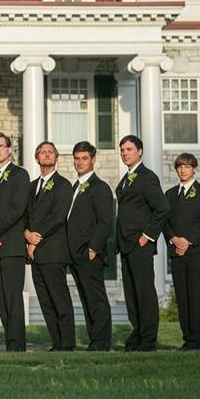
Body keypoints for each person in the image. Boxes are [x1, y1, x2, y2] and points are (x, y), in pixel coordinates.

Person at [115, 135, 169, 352]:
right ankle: (137, 334)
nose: (124, 153)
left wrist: (147, 236)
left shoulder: (147, 177)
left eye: (129, 149)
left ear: (140, 151)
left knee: (144, 292)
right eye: (122, 149)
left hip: (140, 244)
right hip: (126, 245)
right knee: (131, 294)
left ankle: (148, 340)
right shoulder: (127, 178)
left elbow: (163, 208)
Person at [0, 132, 32, 351]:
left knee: (13, 297)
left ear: (9, 149)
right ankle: (10, 340)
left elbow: (17, 209)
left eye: (1, 146)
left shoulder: (20, 175)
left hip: (12, 247)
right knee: (1, 299)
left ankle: (17, 344)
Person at [25, 142, 74, 351]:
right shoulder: (31, 186)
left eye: (50, 152)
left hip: (53, 251)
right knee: (45, 300)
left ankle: (68, 343)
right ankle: (56, 342)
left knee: (59, 298)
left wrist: (37, 238)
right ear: (37, 158)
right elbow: (24, 216)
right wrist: (26, 234)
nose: (46, 155)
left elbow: (58, 216)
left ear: (56, 158)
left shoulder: (63, 185)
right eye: (42, 152)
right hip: (34, 254)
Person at [66, 141, 114, 351]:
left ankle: (102, 342)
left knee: (96, 299)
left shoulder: (100, 187)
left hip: (90, 253)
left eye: (84, 158)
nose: (80, 162)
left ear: (93, 160)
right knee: (86, 299)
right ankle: (94, 338)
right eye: (77, 158)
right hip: (75, 254)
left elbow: (106, 221)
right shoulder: (74, 187)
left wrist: (93, 248)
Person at [164, 153, 200, 351]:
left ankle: (197, 340)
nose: (183, 170)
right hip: (176, 252)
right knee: (182, 297)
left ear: (194, 168)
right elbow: (165, 222)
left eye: (187, 166)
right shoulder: (169, 195)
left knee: (196, 295)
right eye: (180, 166)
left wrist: (187, 241)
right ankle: (187, 338)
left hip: (194, 251)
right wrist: (174, 239)